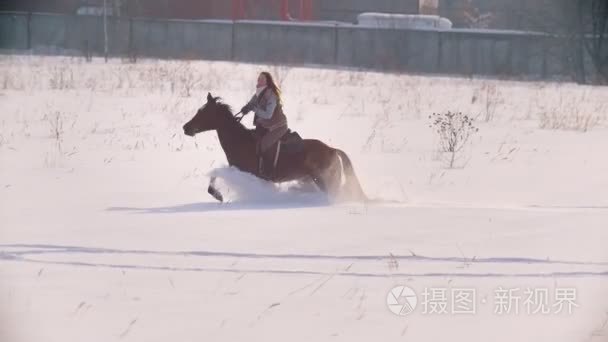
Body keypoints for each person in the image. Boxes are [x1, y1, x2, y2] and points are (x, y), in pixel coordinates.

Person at [240, 71, 289, 179]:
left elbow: (267, 115)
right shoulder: (258, 92)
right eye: (258, 78)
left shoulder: (271, 94)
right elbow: (251, 104)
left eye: (262, 79)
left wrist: (253, 109)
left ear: (267, 81)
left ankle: (267, 171)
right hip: (265, 126)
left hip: (278, 127)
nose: (259, 80)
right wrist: (245, 109)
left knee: (263, 145)